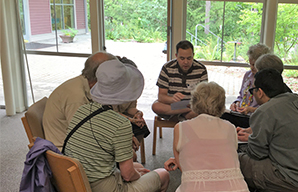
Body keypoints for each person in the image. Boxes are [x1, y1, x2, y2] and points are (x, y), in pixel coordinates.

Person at [64, 59, 169, 192]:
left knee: (136, 165)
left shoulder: (82, 110)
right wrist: (138, 176)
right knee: (163, 174)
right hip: (105, 187)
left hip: (77, 182)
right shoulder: (121, 124)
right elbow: (128, 175)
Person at [163, 82, 249, 192]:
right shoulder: (230, 128)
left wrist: (180, 159)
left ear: (194, 102)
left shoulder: (180, 128)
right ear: (221, 104)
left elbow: (184, 168)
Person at [43, 51, 117, 151]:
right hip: (67, 152)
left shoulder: (85, 84)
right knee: (127, 157)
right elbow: (83, 135)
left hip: (77, 144)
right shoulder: (76, 97)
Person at [152, 40, 208, 120]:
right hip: (172, 105)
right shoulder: (167, 68)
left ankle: (177, 116)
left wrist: (195, 104)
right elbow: (161, 96)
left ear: (193, 55)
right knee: (156, 106)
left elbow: (204, 96)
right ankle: (183, 115)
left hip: (192, 105)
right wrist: (172, 99)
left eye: (189, 58)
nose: (186, 62)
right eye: (182, 58)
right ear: (176, 56)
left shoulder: (201, 69)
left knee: (203, 109)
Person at [220, 43, 271, 128]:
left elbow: (270, 109)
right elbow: (241, 95)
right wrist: (236, 103)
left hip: (256, 119)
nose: (251, 67)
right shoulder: (248, 75)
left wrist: (250, 109)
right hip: (241, 114)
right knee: (221, 116)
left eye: (254, 65)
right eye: (250, 64)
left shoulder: (268, 80)